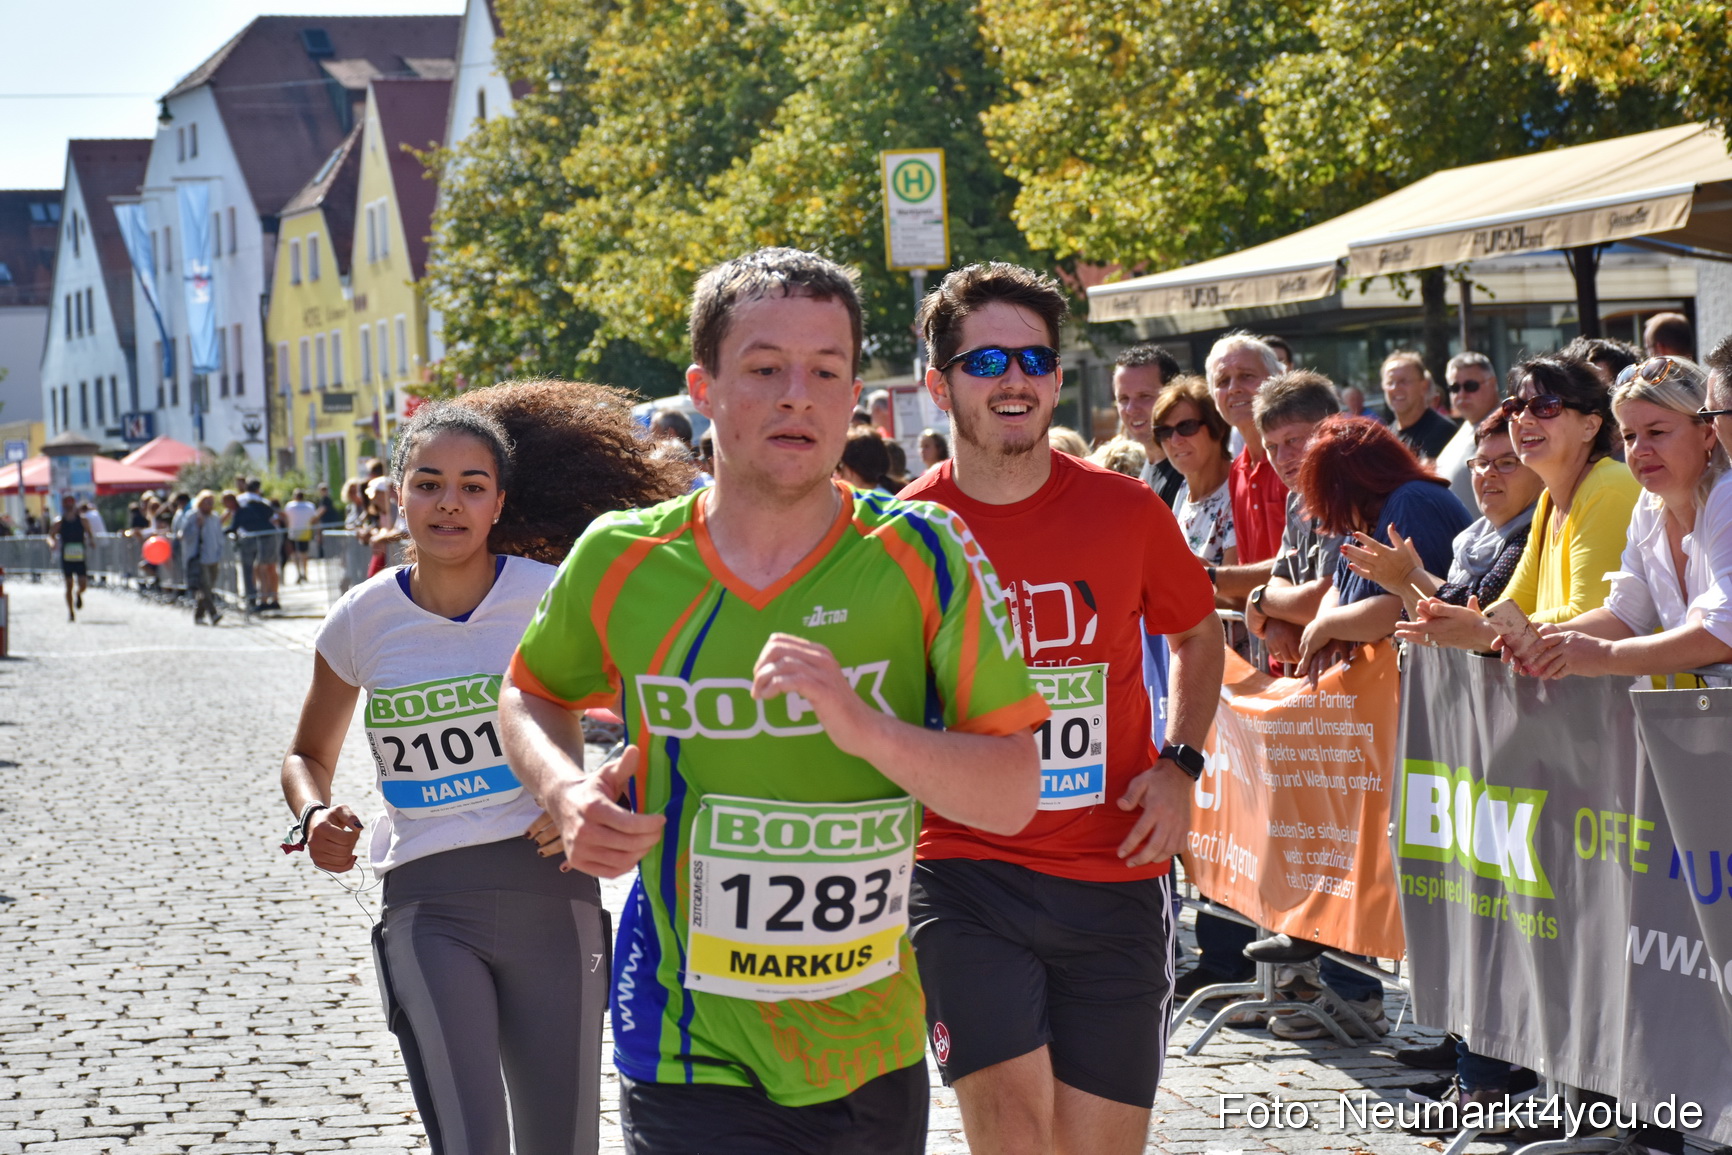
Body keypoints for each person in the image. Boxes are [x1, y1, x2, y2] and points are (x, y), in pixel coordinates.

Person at [498, 248, 1045, 1155]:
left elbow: (1012, 790)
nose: (798, 394)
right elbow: (529, 690)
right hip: (685, 1033)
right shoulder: (623, 558)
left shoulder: (926, 552)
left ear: (851, 392)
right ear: (703, 387)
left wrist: (865, 726)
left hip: (867, 1035)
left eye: (825, 371)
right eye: (763, 369)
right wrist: (566, 790)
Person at [283, 383, 691, 1155]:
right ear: (396, 494)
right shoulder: (361, 620)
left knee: (563, 1143)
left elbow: (659, 702)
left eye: (472, 486)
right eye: (428, 484)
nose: (449, 504)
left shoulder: (552, 597)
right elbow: (307, 754)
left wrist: (587, 792)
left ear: (500, 502)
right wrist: (313, 816)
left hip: (552, 894)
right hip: (425, 904)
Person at [903, 262, 1223, 1155]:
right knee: (1013, 1137)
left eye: (1035, 359)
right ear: (940, 384)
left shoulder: (1124, 510)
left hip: (1115, 871)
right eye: (988, 359)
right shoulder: (906, 533)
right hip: (967, 870)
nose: (1015, 379)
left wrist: (1180, 765)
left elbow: (1201, 636)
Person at [1398, 355, 1640, 655]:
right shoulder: (1549, 503)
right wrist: (1476, 624)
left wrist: (1483, 629)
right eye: (1515, 407)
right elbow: (1512, 607)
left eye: (1546, 406)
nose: (1523, 419)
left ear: (1590, 426)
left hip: (1643, 697)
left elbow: (1585, 617)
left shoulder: (1609, 487)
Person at [1517, 357, 1732, 679]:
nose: (1640, 450)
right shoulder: (1649, 506)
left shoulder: (1726, 494)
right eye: (1629, 436)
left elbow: (1722, 634)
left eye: (1656, 432)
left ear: (1707, 433)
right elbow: (1625, 616)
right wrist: (1546, 639)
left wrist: (1605, 655)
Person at [1343, 411, 1541, 623]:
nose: (1488, 472)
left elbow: (1486, 614)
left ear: (1540, 471)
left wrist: (1408, 576)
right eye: (1481, 462)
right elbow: (1429, 634)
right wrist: (1403, 585)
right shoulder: (1470, 540)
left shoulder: (1537, 532)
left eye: (1507, 462)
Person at [1242, 371, 1344, 676]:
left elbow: (1322, 599)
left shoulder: (1343, 492)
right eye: (1271, 446)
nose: (1282, 457)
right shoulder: (1297, 496)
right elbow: (1282, 577)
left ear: (1329, 429)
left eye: (1293, 440)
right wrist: (1275, 619)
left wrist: (1259, 601)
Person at [1207, 333, 1286, 600]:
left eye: (1246, 376)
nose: (1234, 388)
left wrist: (1211, 577)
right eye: (1222, 381)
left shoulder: (1295, 459)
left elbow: (1305, 564)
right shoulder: (1238, 469)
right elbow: (1248, 567)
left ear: (1278, 378)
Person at [1151, 377, 1237, 577]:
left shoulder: (1239, 489)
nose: (1175, 440)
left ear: (1218, 427)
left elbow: (1239, 594)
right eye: (1164, 431)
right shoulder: (1184, 489)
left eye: (1187, 426)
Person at [1112, 343, 1184, 507]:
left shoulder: (1189, 471)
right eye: (1123, 399)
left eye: (1144, 396)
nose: (1131, 409)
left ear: (1173, 394)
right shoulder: (1148, 470)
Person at [1434, 352, 1502, 508]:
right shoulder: (1467, 425)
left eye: (1471, 386)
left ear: (1492, 383)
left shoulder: (1506, 425)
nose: (1462, 394)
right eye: (1454, 388)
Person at [1381, 351, 1457, 461]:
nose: (1395, 388)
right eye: (1390, 382)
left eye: (1404, 381)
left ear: (1424, 386)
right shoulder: (1386, 437)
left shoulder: (1442, 431)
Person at [234, 478, 282, 610]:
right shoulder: (263, 501)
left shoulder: (240, 500)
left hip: (251, 538)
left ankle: (262, 599)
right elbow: (275, 520)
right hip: (266, 537)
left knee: (259, 569)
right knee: (268, 568)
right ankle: (272, 598)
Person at [181, 489, 226, 625]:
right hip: (199, 557)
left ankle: (198, 615)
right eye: (207, 502)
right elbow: (184, 535)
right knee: (205, 587)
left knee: (208, 588)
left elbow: (219, 537)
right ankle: (213, 614)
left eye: (212, 502)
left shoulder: (214, 517)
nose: (210, 505)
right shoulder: (192, 516)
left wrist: (220, 552)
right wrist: (197, 526)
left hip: (213, 557)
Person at [48, 495, 89, 622]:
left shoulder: (82, 520)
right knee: (69, 584)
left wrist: (92, 540)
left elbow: (90, 533)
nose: (69, 506)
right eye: (66, 504)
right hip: (67, 557)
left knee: (83, 584)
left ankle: (78, 594)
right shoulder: (59, 522)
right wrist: (52, 543)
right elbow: (50, 537)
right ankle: (71, 612)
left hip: (79, 556)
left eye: (70, 504)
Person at [834, 425, 895, 494]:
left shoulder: (858, 502)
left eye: (839, 467)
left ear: (849, 471)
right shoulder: (888, 496)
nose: (837, 474)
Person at [283, 488, 319, 585]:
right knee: (304, 555)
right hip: (305, 533)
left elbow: (286, 518)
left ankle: (299, 573)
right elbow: (314, 519)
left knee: (295, 555)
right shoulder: (310, 506)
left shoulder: (289, 506)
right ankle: (304, 574)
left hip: (293, 533)